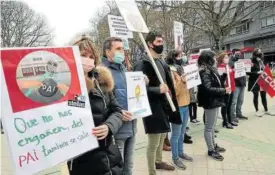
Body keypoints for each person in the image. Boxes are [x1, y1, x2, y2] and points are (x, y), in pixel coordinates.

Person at [67, 36, 123, 175]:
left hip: (109, 155)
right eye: (83, 55)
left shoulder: (101, 82)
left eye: (91, 56)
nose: (88, 59)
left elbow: (117, 111)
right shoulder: (66, 86)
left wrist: (108, 126)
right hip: (83, 161)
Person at [134, 31, 176, 175]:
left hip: (163, 106)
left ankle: (158, 162)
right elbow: (138, 88)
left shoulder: (160, 61)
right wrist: (157, 89)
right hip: (151, 108)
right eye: (158, 42)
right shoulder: (143, 63)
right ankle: (152, 171)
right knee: (153, 142)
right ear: (150, 44)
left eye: (162, 41)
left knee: (162, 137)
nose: (161, 44)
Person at [101, 37, 145, 175]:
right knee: (118, 170)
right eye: (118, 49)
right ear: (108, 52)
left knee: (129, 167)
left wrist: (142, 81)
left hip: (131, 126)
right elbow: (103, 105)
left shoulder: (124, 69)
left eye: (123, 49)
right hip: (117, 131)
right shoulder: (103, 74)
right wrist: (119, 114)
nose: (123, 52)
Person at [197, 50, 230, 161]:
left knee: (212, 126)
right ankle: (211, 150)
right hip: (210, 101)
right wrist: (224, 90)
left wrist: (224, 76)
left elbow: (216, 83)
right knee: (209, 127)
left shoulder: (210, 69)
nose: (216, 59)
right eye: (214, 57)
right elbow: (208, 89)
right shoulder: (204, 71)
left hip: (214, 100)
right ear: (208, 59)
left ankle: (213, 145)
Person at [165, 50, 193, 170]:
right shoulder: (171, 71)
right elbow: (174, 92)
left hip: (186, 104)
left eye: (182, 55)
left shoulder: (182, 69)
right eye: (179, 56)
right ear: (173, 58)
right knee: (176, 134)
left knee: (182, 132)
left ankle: (181, 152)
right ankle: (175, 157)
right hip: (177, 106)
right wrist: (182, 81)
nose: (182, 58)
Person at [247, 48, 275, 117]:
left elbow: (265, 69)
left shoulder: (261, 60)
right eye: (258, 52)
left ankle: (266, 110)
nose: (260, 53)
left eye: (260, 52)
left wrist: (261, 63)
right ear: (254, 53)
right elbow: (247, 72)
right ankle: (257, 111)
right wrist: (257, 72)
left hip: (262, 80)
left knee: (263, 95)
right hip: (254, 81)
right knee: (256, 95)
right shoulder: (251, 61)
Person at [216, 51, 237, 129]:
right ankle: (225, 122)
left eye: (227, 57)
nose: (227, 59)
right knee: (225, 106)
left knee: (229, 105)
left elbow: (232, 76)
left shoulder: (228, 66)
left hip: (231, 88)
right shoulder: (220, 67)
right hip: (226, 89)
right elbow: (221, 80)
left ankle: (230, 120)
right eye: (225, 57)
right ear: (221, 59)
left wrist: (234, 71)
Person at [229, 49, 247, 121]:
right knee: (234, 101)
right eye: (236, 53)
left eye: (239, 53)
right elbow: (231, 66)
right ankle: (232, 116)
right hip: (236, 84)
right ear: (233, 54)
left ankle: (239, 113)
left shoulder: (241, 60)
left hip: (242, 83)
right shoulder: (230, 61)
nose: (238, 55)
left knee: (241, 100)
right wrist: (237, 63)